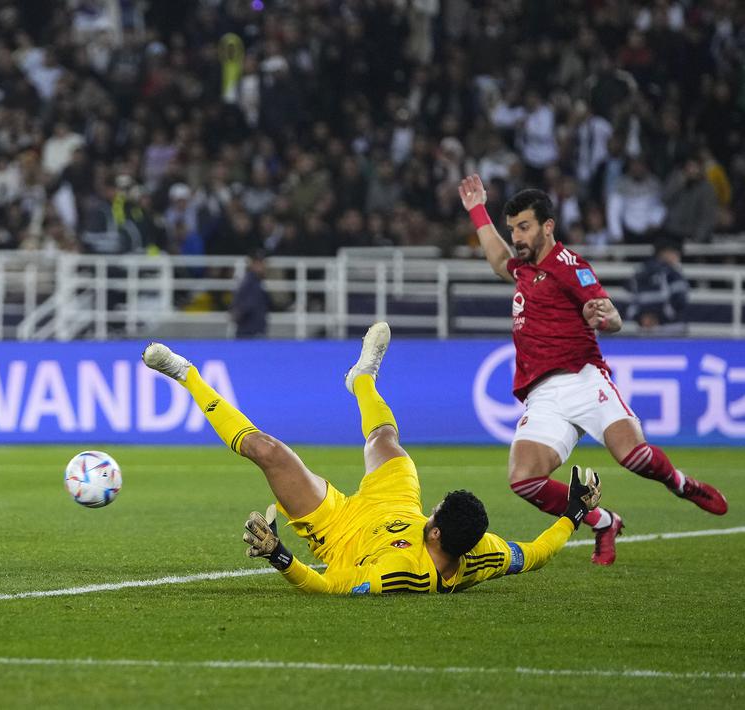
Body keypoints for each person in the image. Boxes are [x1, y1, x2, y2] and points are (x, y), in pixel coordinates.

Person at [142, 323, 602, 594]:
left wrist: (281, 557)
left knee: (269, 452)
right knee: (384, 436)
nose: (434, 509)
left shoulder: (401, 574)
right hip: (394, 504)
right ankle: (362, 378)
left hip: (339, 528)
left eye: (436, 511)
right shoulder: (483, 550)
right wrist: (575, 511)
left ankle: (185, 374)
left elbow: (328, 587)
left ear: (436, 530)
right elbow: (537, 554)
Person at [457, 174, 726, 566]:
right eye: (513, 228)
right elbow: (499, 260)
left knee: (632, 456)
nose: (516, 236)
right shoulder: (524, 268)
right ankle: (603, 521)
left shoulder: (569, 266)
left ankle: (682, 485)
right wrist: (477, 210)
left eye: (524, 227)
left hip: (583, 379)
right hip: (542, 394)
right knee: (523, 479)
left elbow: (609, 312)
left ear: (548, 227)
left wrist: (604, 316)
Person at [625, 240, 689, 334]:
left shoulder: (641, 271)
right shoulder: (673, 274)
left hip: (647, 325)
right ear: (664, 253)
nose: (677, 257)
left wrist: (644, 317)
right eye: (675, 253)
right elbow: (680, 301)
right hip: (667, 327)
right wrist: (647, 318)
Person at [230, 250, 269, 338]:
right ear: (252, 264)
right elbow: (244, 306)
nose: (263, 266)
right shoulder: (249, 282)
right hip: (249, 333)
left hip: (251, 331)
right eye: (259, 263)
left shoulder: (256, 282)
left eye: (262, 263)